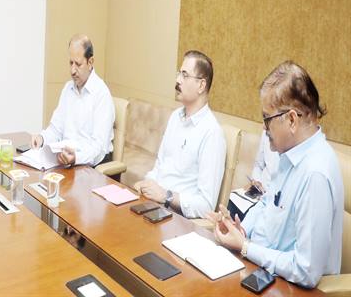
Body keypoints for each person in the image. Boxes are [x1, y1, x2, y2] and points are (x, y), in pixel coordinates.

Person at [208, 61, 343, 288]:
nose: (264, 128)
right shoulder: (290, 154)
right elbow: (267, 204)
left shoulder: (315, 173)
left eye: (266, 118)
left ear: (291, 120)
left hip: (289, 287)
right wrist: (242, 230)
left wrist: (246, 247)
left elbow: (305, 271)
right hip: (263, 272)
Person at [135, 50, 226, 219]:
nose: (178, 80)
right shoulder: (175, 117)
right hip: (153, 206)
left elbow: (206, 205)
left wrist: (167, 196)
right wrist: (147, 183)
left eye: (185, 75)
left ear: (201, 85)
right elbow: (160, 166)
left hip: (177, 218)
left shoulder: (211, 133)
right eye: (179, 73)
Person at [31, 34, 114, 168]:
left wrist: (76, 158)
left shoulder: (101, 94)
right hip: (67, 161)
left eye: (78, 64)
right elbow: (56, 129)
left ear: (90, 62)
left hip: (90, 165)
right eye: (71, 63)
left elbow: (98, 148)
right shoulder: (68, 89)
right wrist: (42, 139)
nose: (72, 71)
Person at [227, 130, 279, 220]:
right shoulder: (266, 131)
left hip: (272, 199)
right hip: (257, 193)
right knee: (229, 204)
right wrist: (256, 182)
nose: (264, 126)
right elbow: (258, 165)